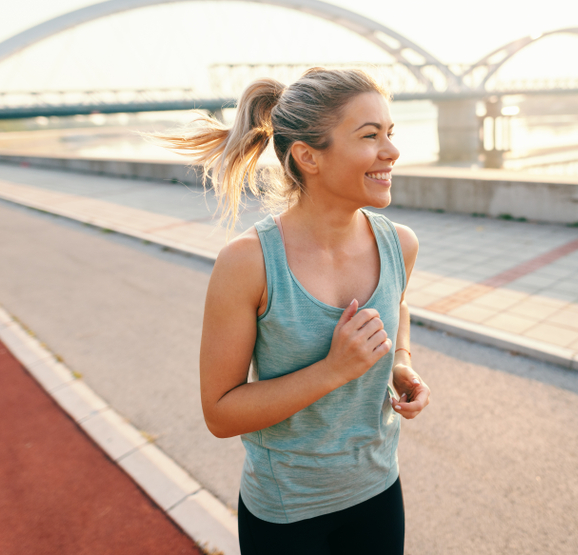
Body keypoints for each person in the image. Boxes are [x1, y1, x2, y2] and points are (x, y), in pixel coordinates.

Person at [153, 68, 431, 554]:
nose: (391, 151)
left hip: (379, 491)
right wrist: (334, 370)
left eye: (390, 133)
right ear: (308, 156)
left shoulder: (399, 244)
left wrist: (401, 363)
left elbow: (398, 305)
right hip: (286, 512)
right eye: (370, 136)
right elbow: (220, 412)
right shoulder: (248, 263)